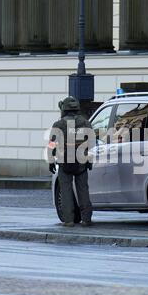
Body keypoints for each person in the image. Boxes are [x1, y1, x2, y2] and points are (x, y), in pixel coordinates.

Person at [48, 97, 94, 227]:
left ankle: (68, 220)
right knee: (83, 190)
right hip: (81, 162)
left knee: (66, 191)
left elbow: (52, 144)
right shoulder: (85, 123)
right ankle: (86, 219)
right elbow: (91, 143)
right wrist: (89, 160)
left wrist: (51, 161)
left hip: (64, 161)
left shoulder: (58, 125)